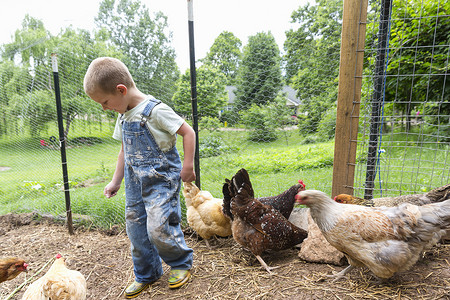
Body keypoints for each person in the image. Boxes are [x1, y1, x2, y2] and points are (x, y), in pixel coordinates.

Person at [83, 57, 195, 298]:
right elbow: (124, 150)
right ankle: (147, 273)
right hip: (135, 181)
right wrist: (116, 181)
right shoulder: (123, 116)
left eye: (105, 102)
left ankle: (180, 263)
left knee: (158, 226)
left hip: (161, 179)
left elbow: (188, 132)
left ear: (121, 90)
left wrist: (188, 165)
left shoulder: (156, 110)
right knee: (135, 228)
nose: (104, 108)